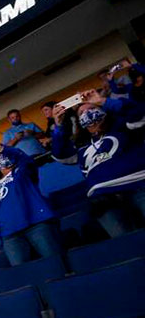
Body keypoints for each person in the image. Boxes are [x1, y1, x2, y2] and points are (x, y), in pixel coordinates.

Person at [50, 89, 145, 237]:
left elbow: (138, 113)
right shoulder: (81, 146)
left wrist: (102, 101)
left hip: (138, 185)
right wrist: (59, 126)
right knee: (128, 244)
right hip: (104, 199)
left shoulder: (122, 126)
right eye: (81, 112)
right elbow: (60, 154)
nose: (87, 113)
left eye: (92, 108)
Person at [0, 137, 61, 265]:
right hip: (9, 234)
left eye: (2, 155)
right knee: (22, 272)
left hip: (35, 224)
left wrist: (1, 148)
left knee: (55, 262)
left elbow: (26, 160)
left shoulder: (22, 172)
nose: (1, 157)